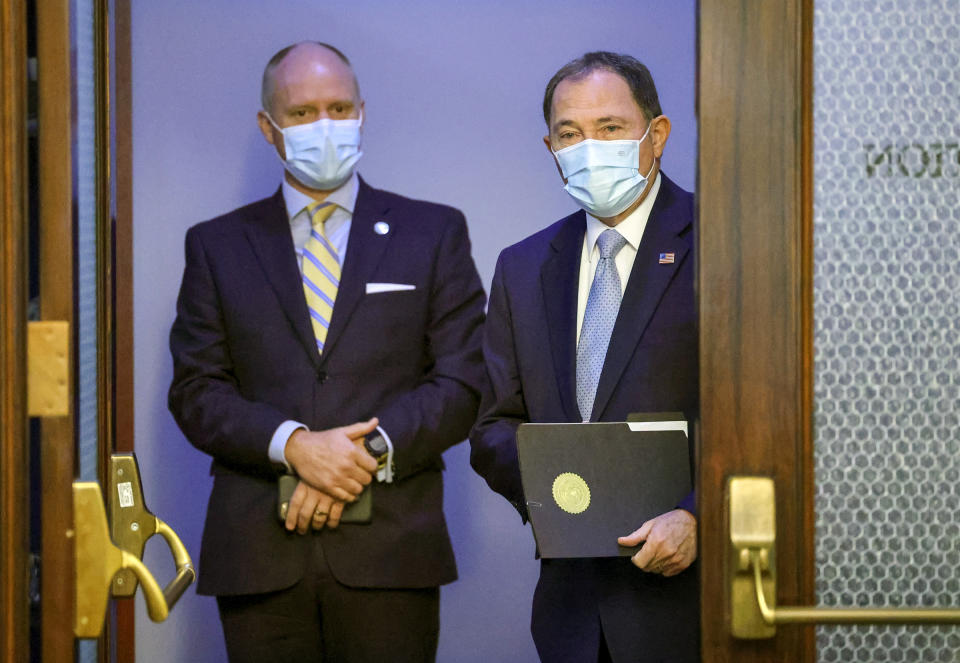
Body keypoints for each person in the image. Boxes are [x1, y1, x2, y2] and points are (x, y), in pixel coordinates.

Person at [168, 41, 486, 663]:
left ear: (363, 112)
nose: (325, 126)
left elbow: (464, 380)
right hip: (259, 555)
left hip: (392, 553)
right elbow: (195, 391)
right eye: (303, 112)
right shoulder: (217, 245)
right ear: (269, 127)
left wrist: (355, 456)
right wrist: (295, 446)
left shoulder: (433, 232)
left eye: (340, 109)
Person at [469, 51, 699, 662]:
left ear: (657, 135)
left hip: (689, 602)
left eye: (610, 128)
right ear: (550, 147)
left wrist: (701, 517)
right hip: (572, 612)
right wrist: (556, 502)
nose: (588, 146)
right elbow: (494, 423)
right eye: (570, 134)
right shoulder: (523, 266)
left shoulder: (722, 240)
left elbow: (765, 417)